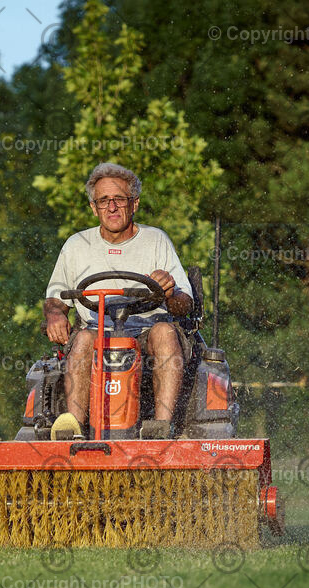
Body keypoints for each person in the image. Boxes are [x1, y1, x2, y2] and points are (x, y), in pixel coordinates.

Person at [43, 162, 193, 439]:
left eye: (119, 199)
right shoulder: (76, 246)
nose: (111, 207)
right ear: (93, 207)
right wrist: (55, 315)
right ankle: (73, 428)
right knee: (85, 339)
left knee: (164, 332)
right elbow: (56, 298)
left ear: (134, 204)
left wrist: (169, 292)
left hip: (147, 335)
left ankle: (161, 427)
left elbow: (186, 303)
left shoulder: (157, 241)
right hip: (95, 333)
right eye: (103, 201)